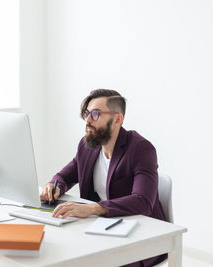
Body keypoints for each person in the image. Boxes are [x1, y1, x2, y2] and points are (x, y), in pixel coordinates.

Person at [40, 89, 167, 267]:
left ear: (117, 119)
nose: (88, 120)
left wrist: (94, 208)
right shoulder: (87, 146)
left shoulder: (141, 149)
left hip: (141, 236)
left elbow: (143, 201)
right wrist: (54, 186)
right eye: (87, 113)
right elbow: (65, 175)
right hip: (102, 229)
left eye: (95, 114)